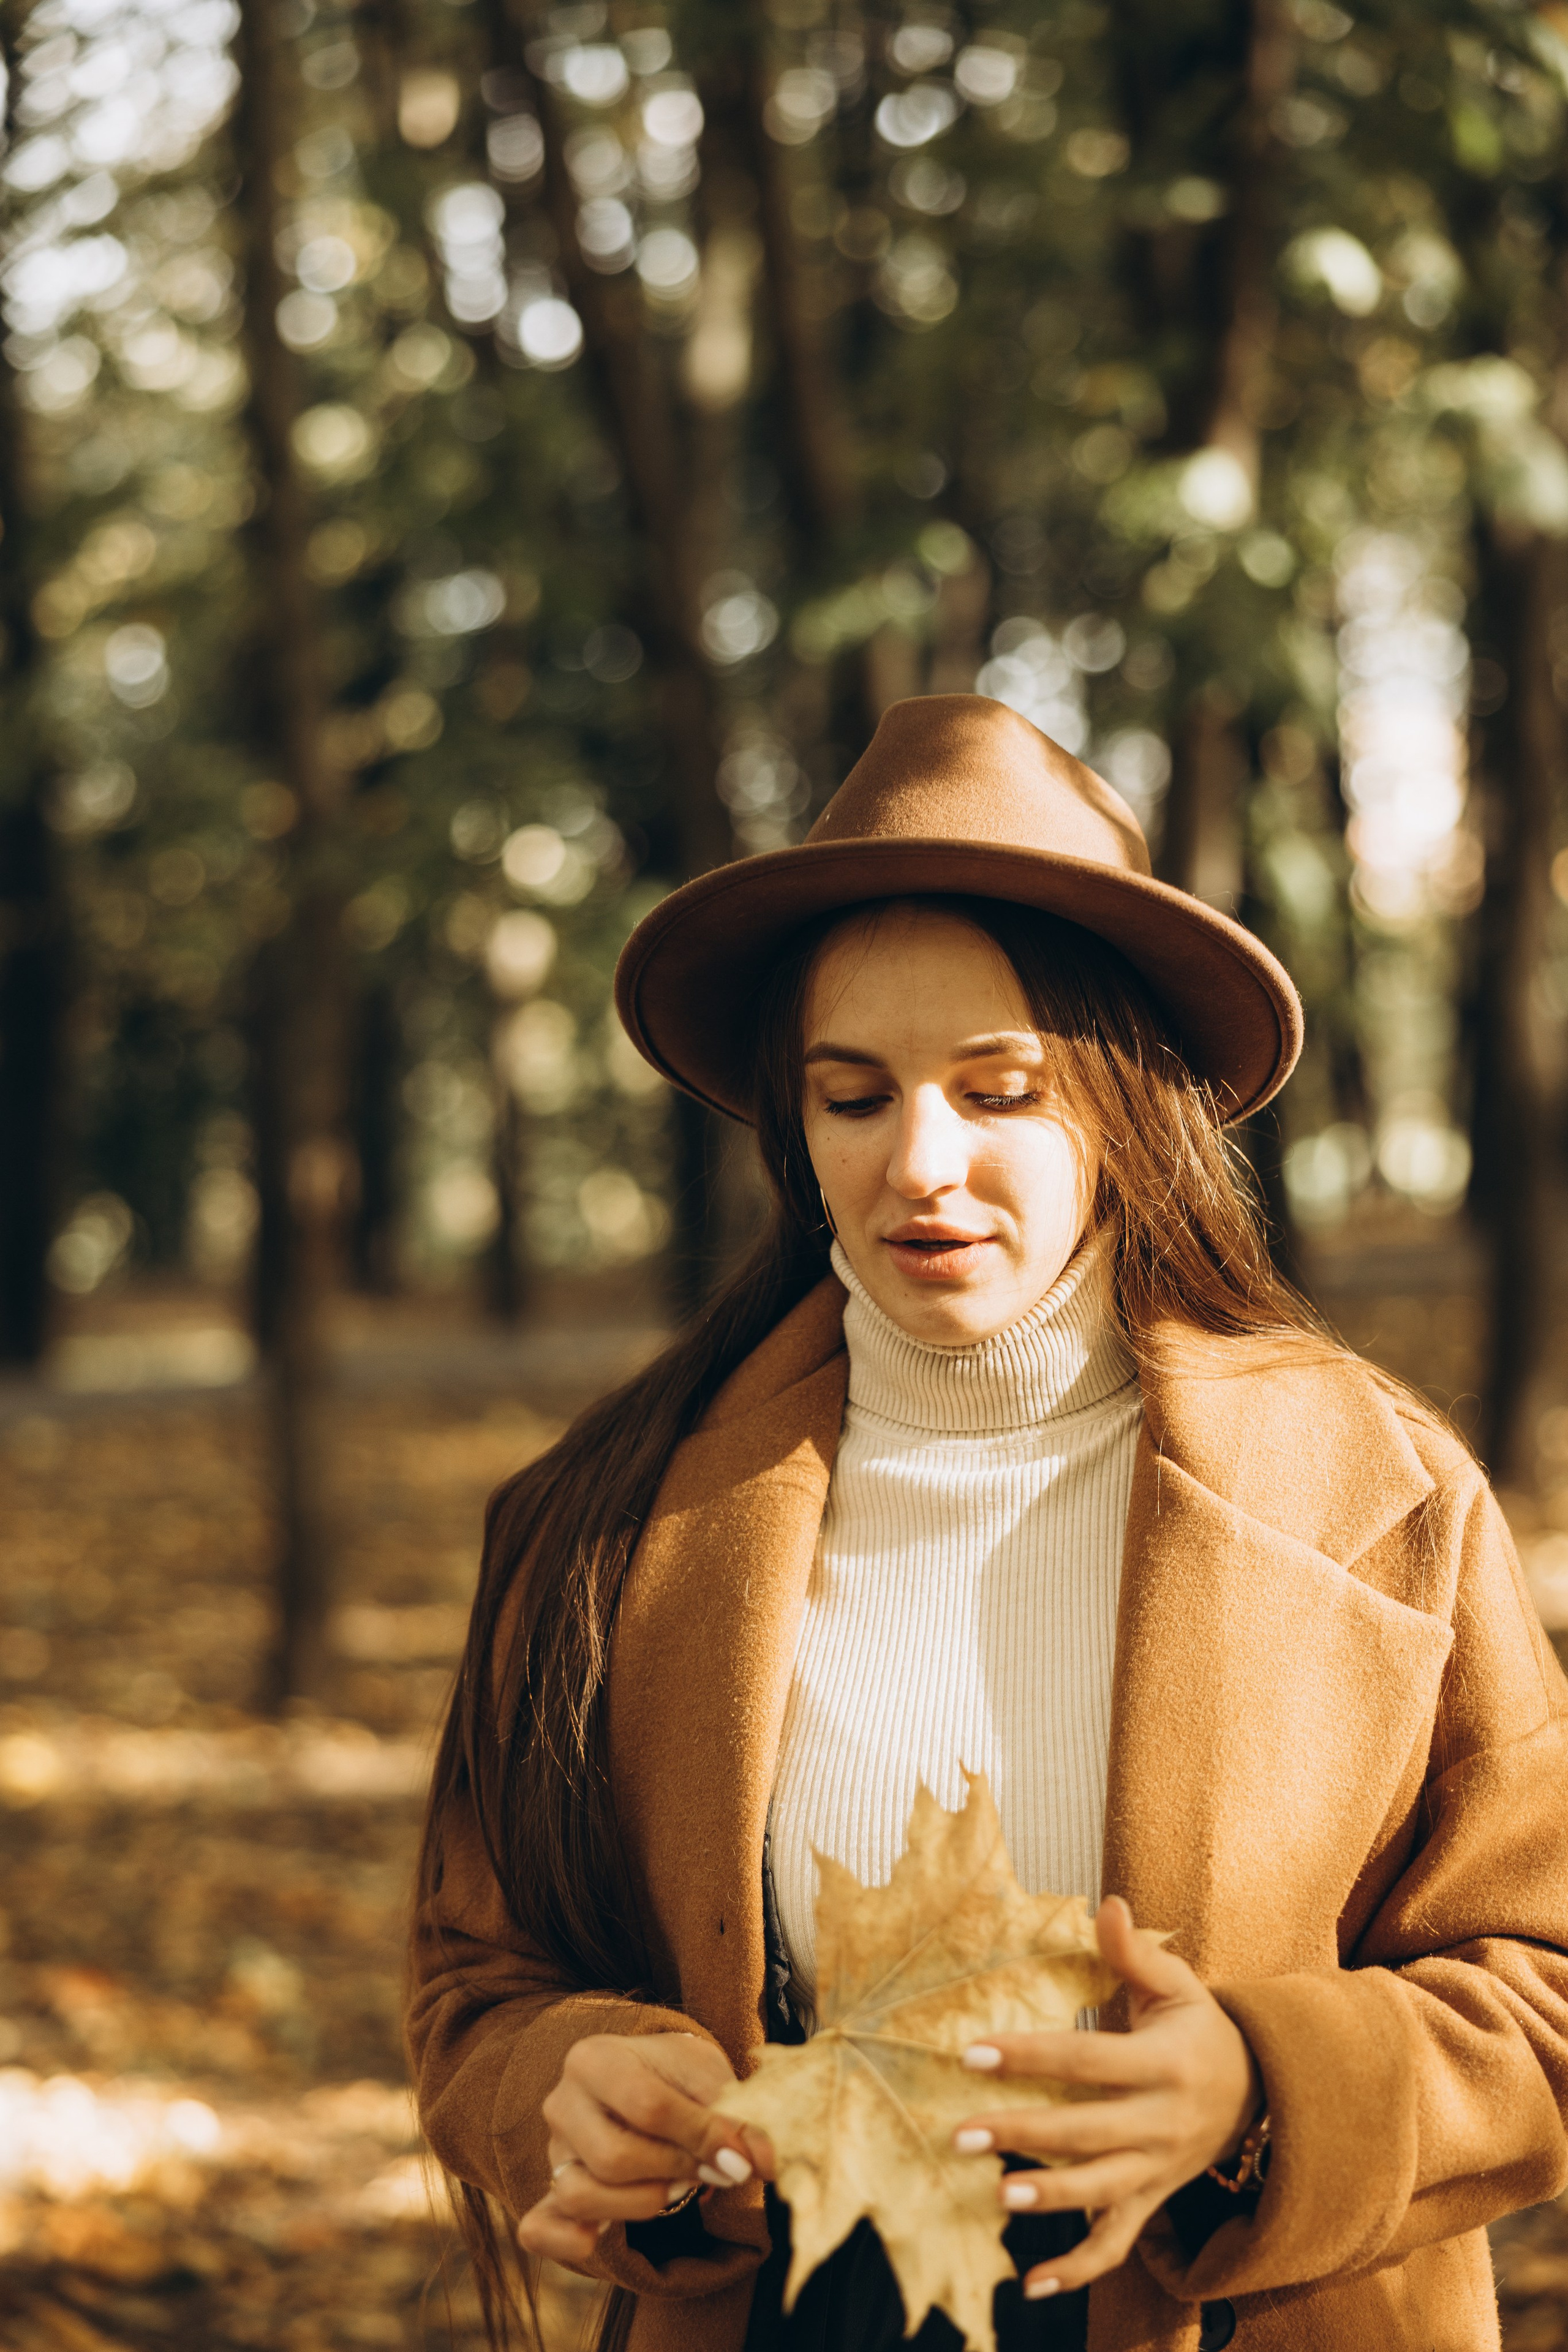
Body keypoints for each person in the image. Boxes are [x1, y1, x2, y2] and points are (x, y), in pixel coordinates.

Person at [407, 696, 1568, 2352]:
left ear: (1124, 1100)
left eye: (1001, 1089)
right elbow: (474, 1981)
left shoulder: (1382, 1500)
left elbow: (1543, 1987)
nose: (920, 1164)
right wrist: (562, 2083)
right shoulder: (607, 1521)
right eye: (853, 1096)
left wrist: (1261, 2084)